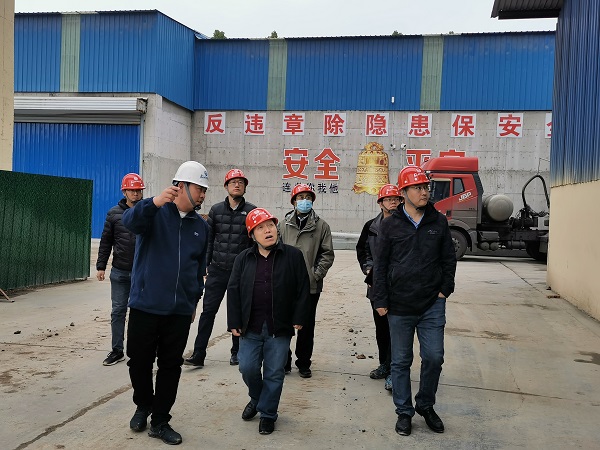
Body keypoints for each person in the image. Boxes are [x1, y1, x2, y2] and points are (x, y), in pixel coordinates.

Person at [122, 161, 210, 445]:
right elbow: (129, 222)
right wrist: (154, 202)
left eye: (205, 189)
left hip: (179, 311)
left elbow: (199, 269)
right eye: (198, 188)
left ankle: (160, 420)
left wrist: (193, 300)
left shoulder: (201, 227)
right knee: (139, 361)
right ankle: (143, 405)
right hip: (145, 305)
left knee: (171, 366)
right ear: (180, 186)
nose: (203, 194)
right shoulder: (154, 213)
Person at [372, 166, 456, 437]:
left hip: (432, 302)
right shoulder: (390, 225)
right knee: (400, 361)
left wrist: (445, 290)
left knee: (434, 357)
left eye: (425, 187)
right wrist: (380, 298)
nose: (424, 192)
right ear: (404, 192)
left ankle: (426, 405)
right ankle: (404, 412)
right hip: (399, 305)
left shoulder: (438, 221)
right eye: (418, 188)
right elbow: (380, 265)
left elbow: (448, 259)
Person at [227, 208, 310, 435]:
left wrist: (299, 317)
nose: (267, 231)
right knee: (247, 367)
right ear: (252, 235)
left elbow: (303, 288)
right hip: (250, 326)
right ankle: (257, 398)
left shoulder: (292, 256)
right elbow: (233, 290)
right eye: (261, 228)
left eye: (270, 225)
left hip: (279, 327)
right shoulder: (243, 258)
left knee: (274, 372)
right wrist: (234, 320)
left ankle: (268, 414)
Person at [185, 169, 256, 368]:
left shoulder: (251, 211)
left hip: (240, 273)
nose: (237, 185)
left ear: (245, 187)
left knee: (238, 313)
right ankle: (198, 354)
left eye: (241, 182)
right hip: (217, 270)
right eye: (233, 182)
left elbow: (253, 244)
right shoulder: (216, 210)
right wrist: (206, 266)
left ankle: (237, 353)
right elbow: (208, 240)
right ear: (226, 186)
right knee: (208, 312)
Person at [279, 184, 335, 378]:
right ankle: (284, 361)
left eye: (308, 197)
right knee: (284, 324)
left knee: (306, 325)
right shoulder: (283, 225)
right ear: (294, 201)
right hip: (286, 285)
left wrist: (315, 274)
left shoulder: (321, 226)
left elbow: (327, 254)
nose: (305, 201)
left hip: (310, 286)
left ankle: (303, 363)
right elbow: (276, 251)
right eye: (301, 197)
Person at [96, 173, 145, 366]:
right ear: (124, 191)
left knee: (140, 312)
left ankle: (139, 349)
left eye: (138, 190)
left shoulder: (148, 212)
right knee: (118, 311)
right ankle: (117, 350)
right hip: (120, 272)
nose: (136, 194)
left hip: (142, 272)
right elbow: (106, 240)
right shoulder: (114, 214)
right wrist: (101, 266)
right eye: (132, 190)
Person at [356, 184, 401, 391]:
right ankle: (385, 364)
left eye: (396, 199)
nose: (393, 202)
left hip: (399, 286)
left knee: (397, 330)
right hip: (377, 286)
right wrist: (368, 269)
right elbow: (362, 249)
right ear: (380, 203)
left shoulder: (405, 225)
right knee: (381, 329)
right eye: (389, 199)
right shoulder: (371, 226)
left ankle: (395, 371)